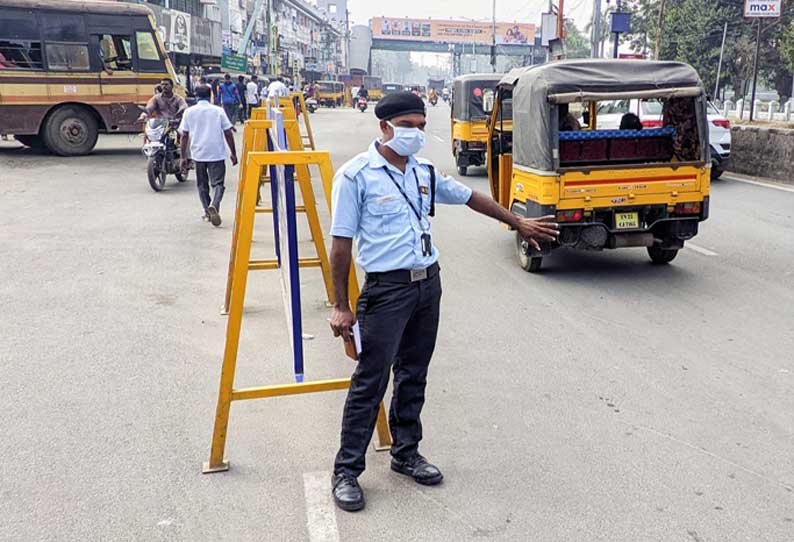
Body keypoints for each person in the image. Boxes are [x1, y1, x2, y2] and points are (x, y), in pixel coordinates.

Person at [328, 92, 559, 512]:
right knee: (372, 380)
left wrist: (517, 221)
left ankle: (406, 452)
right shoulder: (355, 176)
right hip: (386, 290)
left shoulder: (423, 171)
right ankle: (346, 471)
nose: (417, 133)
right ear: (384, 127)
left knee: (414, 372)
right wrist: (341, 304)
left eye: (420, 125)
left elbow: (471, 198)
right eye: (408, 126)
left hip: (426, 285)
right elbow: (341, 245)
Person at [178, 85, 238, 227]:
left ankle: (207, 211)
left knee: (202, 185)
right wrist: (233, 153)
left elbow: (184, 135)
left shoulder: (189, 112)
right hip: (216, 152)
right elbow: (228, 133)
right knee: (218, 184)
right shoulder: (218, 111)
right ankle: (215, 205)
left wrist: (183, 156)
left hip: (198, 153)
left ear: (196, 95)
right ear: (210, 95)